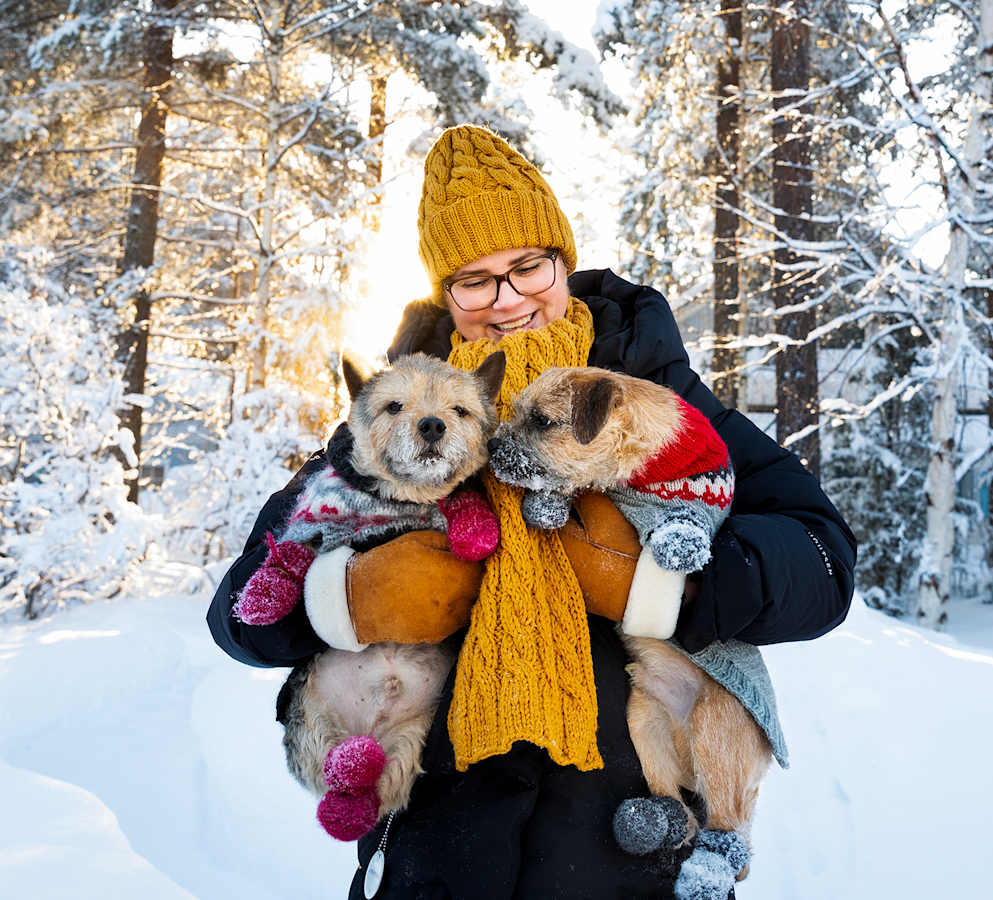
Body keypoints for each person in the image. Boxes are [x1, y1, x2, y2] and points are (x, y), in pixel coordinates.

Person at [207, 125, 856, 900]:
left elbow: (821, 559)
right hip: (439, 857)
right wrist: (345, 599)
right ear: (446, 295)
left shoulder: (652, 394)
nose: (508, 299)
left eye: (526, 267)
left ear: (563, 263)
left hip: (631, 855)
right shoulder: (405, 408)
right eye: (475, 280)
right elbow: (239, 614)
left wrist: (670, 591)